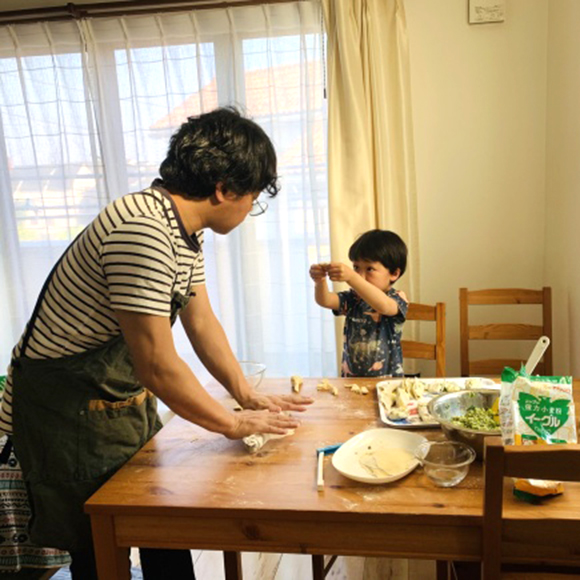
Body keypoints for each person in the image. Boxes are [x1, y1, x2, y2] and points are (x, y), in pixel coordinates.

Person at [0, 107, 313, 580]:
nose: (251, 210)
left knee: (162, 517)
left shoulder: (181, 230)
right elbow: (157, 366)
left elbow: (201, 321)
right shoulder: (142, 230)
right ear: (224, 189)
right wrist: (231, 423)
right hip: (67, 407)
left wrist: (245, 394)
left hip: (111, 397)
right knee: (99, 546)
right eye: (252, 197)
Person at [309, 229, 408, 378]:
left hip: (387, 383)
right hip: (351, 381)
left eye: (369, 269)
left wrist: (352, 277)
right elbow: (326, 300)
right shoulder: (353, 298)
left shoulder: (397, 298)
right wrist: (320, 281)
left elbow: (383, 306)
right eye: (356, 267)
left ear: (394, 273)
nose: (360, 275)